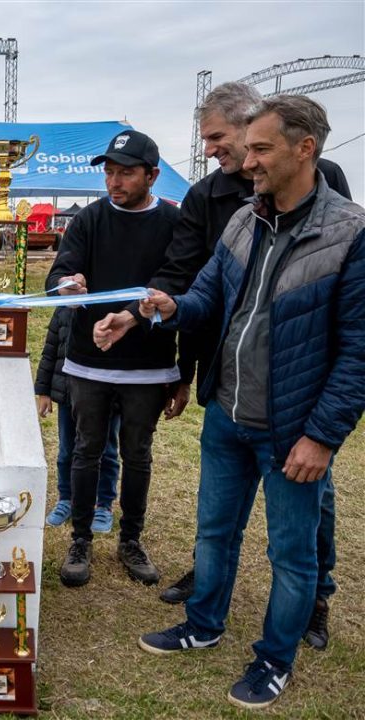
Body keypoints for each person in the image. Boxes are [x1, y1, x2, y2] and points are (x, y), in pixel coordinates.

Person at [95, 83, 350, 650]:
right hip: (229, 399)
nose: (239, 158)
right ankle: (205, 614)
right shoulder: (227, 210)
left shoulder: (342, 215)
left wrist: (323, 430)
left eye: (255, 149)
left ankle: (294, 630)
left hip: (294, 413)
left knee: (298, 537)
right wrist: (150, 314)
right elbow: (198, 286)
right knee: (215, 528)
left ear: (299, 148)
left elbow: (349, 335)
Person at [46, 129, 191, 588]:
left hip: (148, 364)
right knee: (86, 450)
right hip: (89, 360)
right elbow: (58, 274)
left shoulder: (174, 224)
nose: (114, 181)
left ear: (152, 174)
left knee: (138, 454)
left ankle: (130, 540)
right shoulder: (88, 220)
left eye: (126, 172)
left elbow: (177, 282)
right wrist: (68, 286)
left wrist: (180, 370)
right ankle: (81, 540)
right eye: (109, 172)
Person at [35, 307, 121, 533]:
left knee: (107, 451)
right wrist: (44, 391)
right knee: (67, 450)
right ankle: (66, 499)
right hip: (67, 395)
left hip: (107, 396)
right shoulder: (65, 307)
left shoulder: (112, 305)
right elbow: (51, 349)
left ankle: (103, 504)